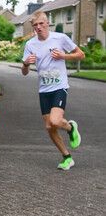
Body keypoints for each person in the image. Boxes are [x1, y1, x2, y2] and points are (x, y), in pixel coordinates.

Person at [21, 11, 84, 170]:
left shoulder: (60, 38)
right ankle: (67, 157)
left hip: (59, 86)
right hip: (44, 90)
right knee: (50, 127)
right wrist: (26, 64)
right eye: (35, 25)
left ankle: (70, 127)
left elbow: (80, 55)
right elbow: (24, 72)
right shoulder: (30, 44)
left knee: (56, 121)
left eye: (41, 24)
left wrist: (64, 56)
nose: (38, 27)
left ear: (47, 23)